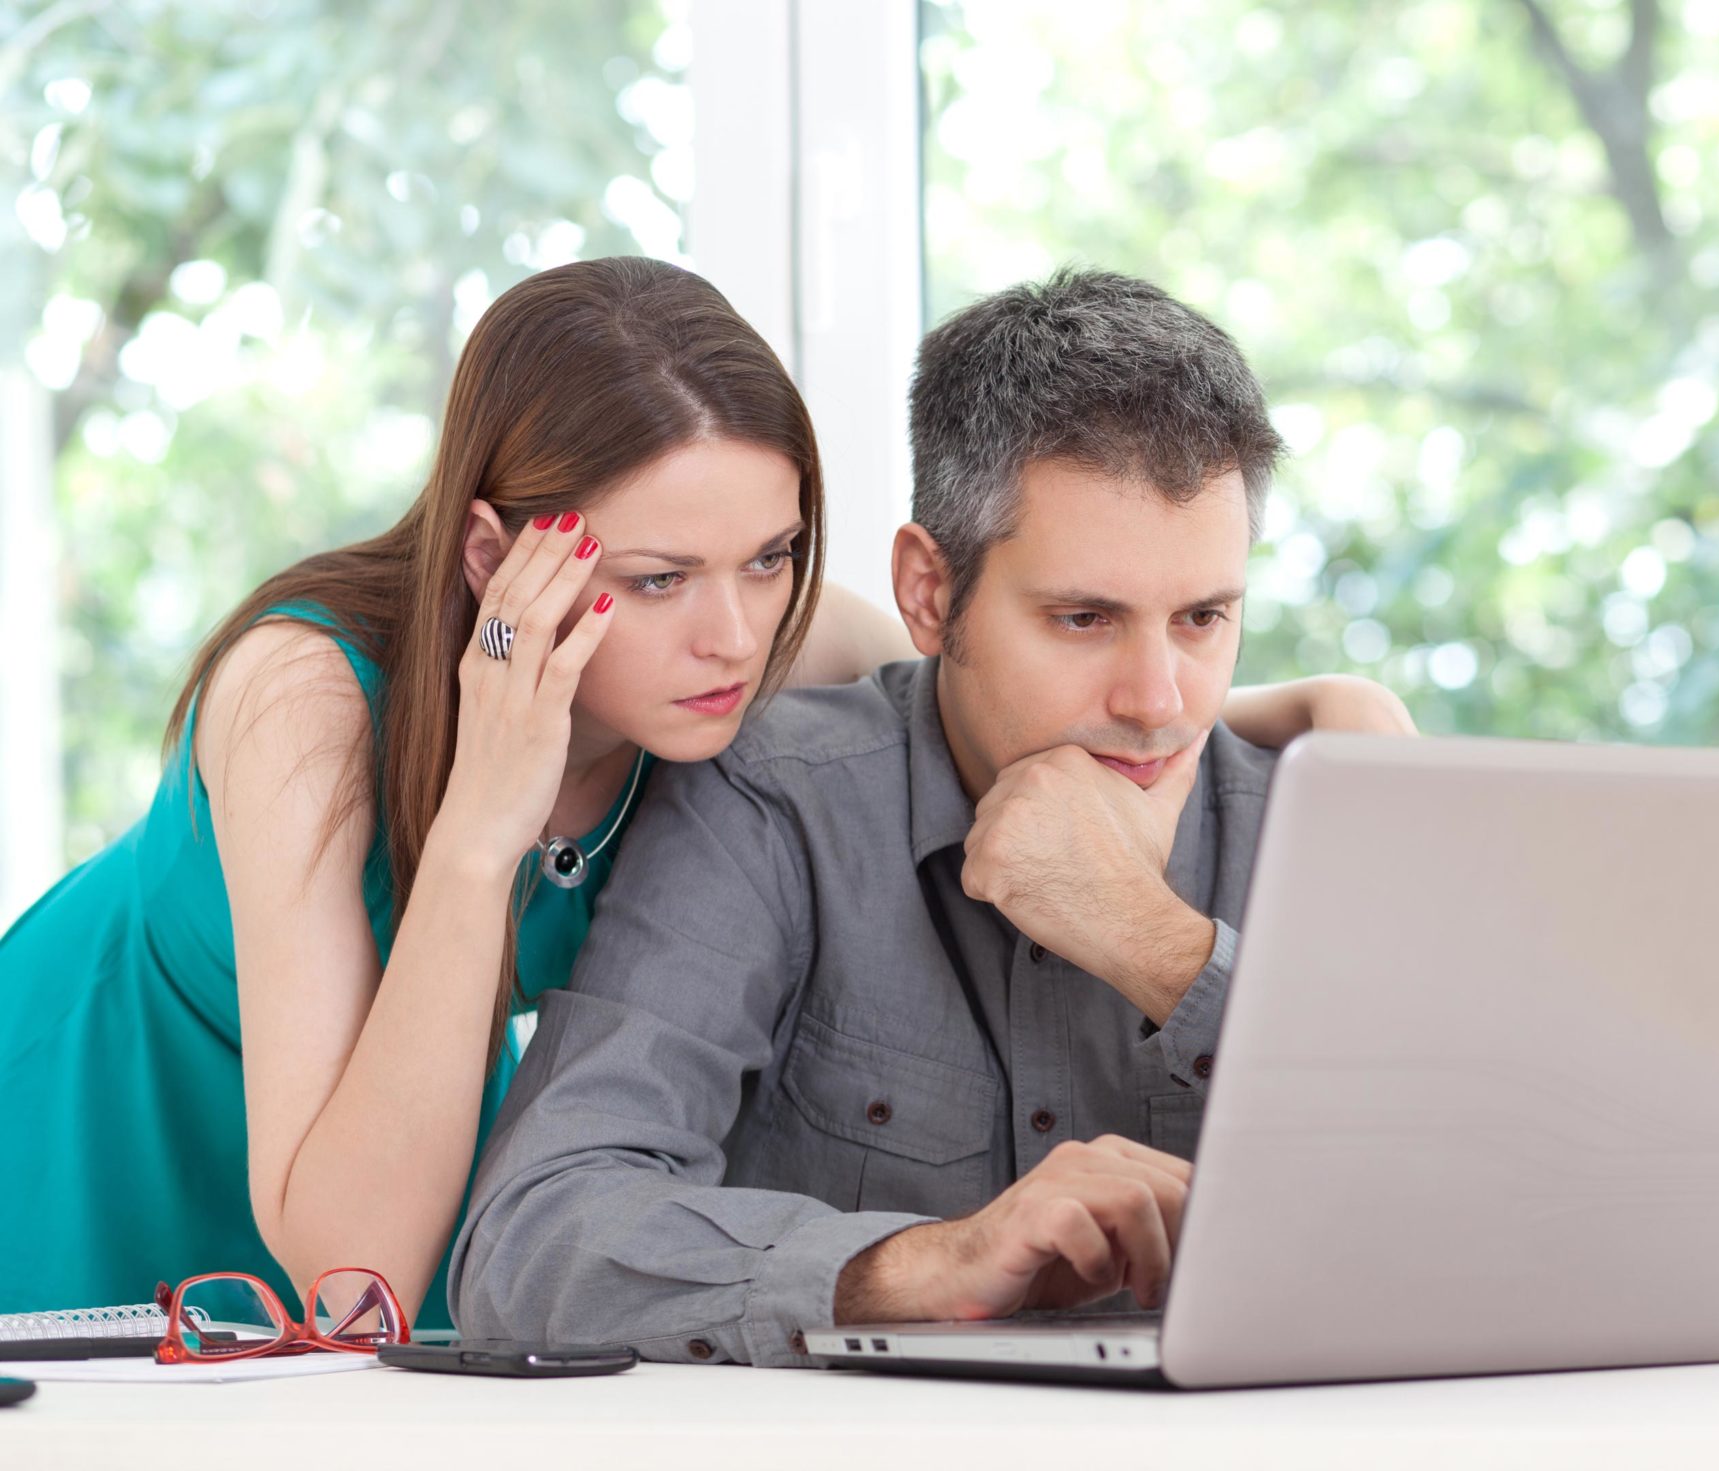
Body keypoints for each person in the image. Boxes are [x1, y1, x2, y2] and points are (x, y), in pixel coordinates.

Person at [0, 258, 1409, 1328]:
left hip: (394, 1165)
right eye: (656, 579)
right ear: (497, 556)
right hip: (105, 1106)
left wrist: (1309, 716)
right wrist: (487, 823)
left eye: (774, 554)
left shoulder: (774, 642)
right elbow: (355, 1266)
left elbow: (1039, 673)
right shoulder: (302, 702)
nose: (735, 637)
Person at [449, 267, 1363, 1364]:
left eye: (1204, 618)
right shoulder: (771, 800)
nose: (1158, 702)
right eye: (1082, 618)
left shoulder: (1317, 830)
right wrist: (917, 1265)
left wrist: (1159, 948)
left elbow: (1490, 1210)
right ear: (928, 594)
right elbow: (531, 1239)